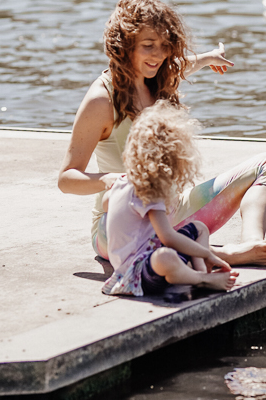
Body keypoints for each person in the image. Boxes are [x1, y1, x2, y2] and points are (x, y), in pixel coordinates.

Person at [58, 0, 266, 266]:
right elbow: (67, 178)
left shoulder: (159, 76)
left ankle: (252, 243)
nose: (158, 55)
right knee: (147, 224)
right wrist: (110, 180)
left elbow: (181, 65)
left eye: (165, 45)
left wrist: (209, 58)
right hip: (119, 223)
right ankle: (222, 255)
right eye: (148, 45)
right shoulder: (101, 100)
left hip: (171, 210)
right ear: (125, 44)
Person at [102, 101, 239, 296]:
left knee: (199, 228)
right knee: (165, 257)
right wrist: (207, 253)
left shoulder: (123, 181)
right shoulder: (148, 190)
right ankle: (202, 279)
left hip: (150, 257)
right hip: (137, 274)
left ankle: (199, 274)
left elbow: (105, 202)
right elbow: (168, 237)